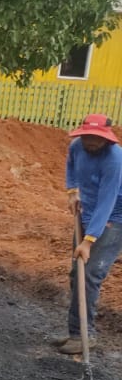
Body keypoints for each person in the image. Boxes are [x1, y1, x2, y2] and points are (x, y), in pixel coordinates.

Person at [59, 114, 122, 355]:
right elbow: (71, 164)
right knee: (77, 272)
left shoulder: (114, 160)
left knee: (90, 273)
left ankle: (87, 335)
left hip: (115, 217)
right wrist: (73, 190)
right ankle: (75, 331)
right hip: (89, 211)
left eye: (96, 139)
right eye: (88, 137)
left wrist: (88, 240)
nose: (91, 142)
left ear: (107, 139)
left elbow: (108, 201)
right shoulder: (77, 146)